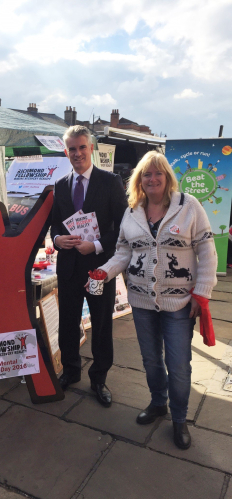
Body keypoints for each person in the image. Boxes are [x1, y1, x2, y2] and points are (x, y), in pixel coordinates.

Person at [95, 151, 217, 448]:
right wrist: (103, 272)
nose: (152, 179)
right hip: (141, 302)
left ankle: (179, 419)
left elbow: (207, 252)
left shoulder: (189, 207)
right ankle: (158, 403)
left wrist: (201, 292)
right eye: (146, 174)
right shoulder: (132, 211)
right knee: (151, 360)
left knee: (178, 365)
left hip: (178, 303)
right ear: (139, 180)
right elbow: (124, 253)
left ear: (167, 177)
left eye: (158, 173)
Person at [51, 125, 127, 407]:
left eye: (82, 147)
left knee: (101, 323)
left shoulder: (110, 182)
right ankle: (70, 372)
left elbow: (122, 227)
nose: (77, 153)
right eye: (72, 148)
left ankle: (99, 379)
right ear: (66, 151)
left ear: (91, 148)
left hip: (99, 268)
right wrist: (59, 239)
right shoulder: (60, 185)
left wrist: (95, 246)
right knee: (68, 323)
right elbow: (54, 225)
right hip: (69, 269)